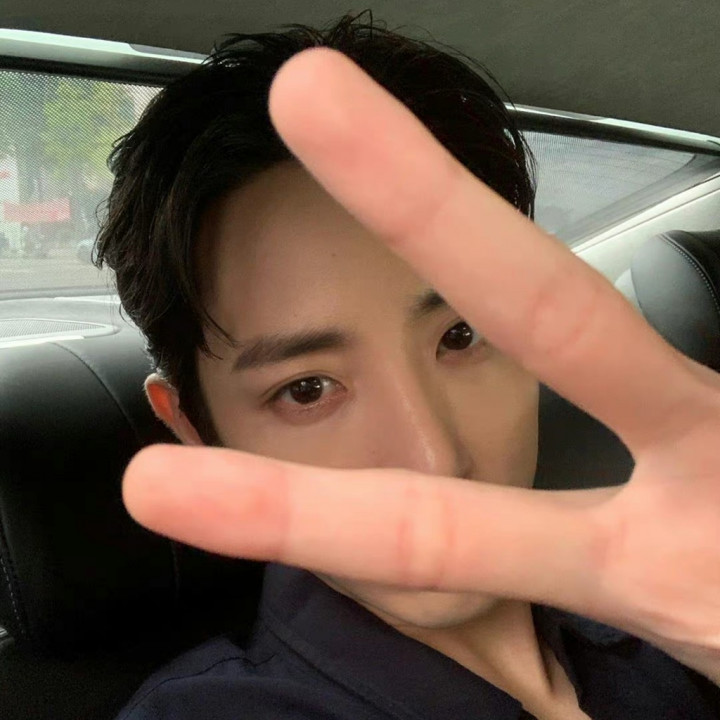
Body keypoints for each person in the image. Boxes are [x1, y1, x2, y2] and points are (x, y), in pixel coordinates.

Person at [97, 14, 720, 720]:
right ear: (197, 432)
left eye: (462, 334)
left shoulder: (676, 618)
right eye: (307, 390)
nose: (435, 459)